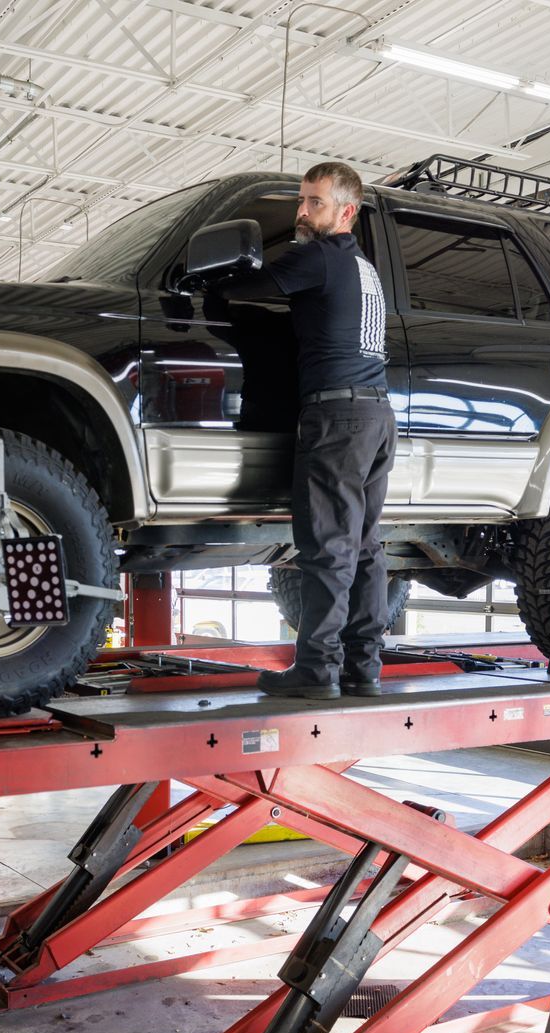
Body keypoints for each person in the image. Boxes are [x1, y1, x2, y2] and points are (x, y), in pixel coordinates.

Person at [219, 161, 393, 699]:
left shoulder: (318, 256)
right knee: (364, 547)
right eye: (302, 201)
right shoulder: (362, 267)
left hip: (337, 419)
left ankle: (317, 671)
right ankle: (363, 668)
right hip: (375, 417)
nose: (301, 212)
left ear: (346, 211)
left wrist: (211, 285)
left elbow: (249, 288)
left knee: (327, 548)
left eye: (313, 202)